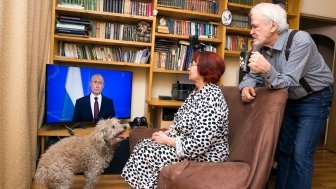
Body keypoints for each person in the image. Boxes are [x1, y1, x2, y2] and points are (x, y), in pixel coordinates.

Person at [239, 3, 333, 189]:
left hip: (315, 97)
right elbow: (250, 77)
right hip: (288, 99)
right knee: (284, 150)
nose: (251, 32)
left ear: (273, 25)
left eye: (255, 26)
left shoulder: (301, 41)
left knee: (301, 153)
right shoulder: (259, 47)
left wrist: (267, 69)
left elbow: (289, 81)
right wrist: (246, 86)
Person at [121, 51, 230, 188]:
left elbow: (199, 144)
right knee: (144, 145)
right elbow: (180, 122)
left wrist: (167, 140)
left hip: (207, 154)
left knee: (147, 152)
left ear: (205, 69)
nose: (188, 68)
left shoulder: (212, 98)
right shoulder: (197, 92)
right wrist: (167, 133)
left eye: (193, 64)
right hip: (187, 145)